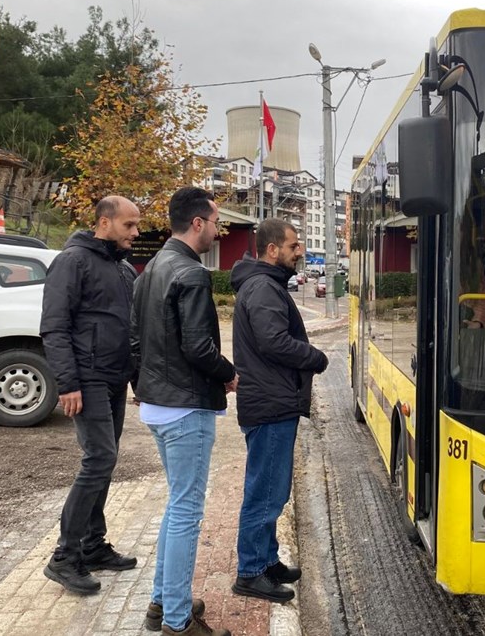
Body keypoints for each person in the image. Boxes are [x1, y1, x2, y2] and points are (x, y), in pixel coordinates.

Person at [131, 187, 237, 636]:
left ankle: (163, 603)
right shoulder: (191, 273)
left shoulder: (150, 268)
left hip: (157, 405)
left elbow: (134, 342)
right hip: (183, 408)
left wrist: (144, 388)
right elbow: (198, 346)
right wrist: (228, 373)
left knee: (177, 508)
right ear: (198, 223)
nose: (218, 230)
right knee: (187, 512)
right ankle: (177, 622)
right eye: (216, 222)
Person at [40, 196, 141, 596]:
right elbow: (54, 327)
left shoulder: (121, 267)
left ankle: (93, 545)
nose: (135, 233)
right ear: (104, 223)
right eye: (129, 226)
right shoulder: (72, 262)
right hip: (87, 378)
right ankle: (65, 556)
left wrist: (136, 381)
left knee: (106, 460)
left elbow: (129, 329)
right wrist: (68, 384)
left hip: (114, 379)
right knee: (99, 458)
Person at [229, 218, 329, 603]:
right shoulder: (263, 287)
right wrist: (315, 357)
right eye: (293, 246)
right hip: (270, 403)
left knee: (272, 488)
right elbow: (274, 342)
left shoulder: (263, 284)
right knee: (266, 492)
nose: (299, 252)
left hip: (271, 400)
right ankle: (251, 571)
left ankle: (266, 560)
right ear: (272, 250)